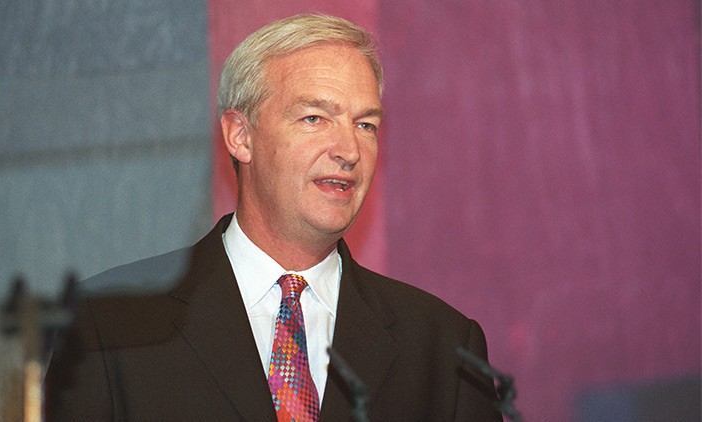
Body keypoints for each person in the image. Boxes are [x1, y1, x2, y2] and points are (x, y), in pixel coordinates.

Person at [45, 14, 501, 421]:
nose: (348, 151)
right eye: (314, 118)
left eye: (366, 125)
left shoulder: (444, 350)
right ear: (240, 136)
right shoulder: (109, 326)